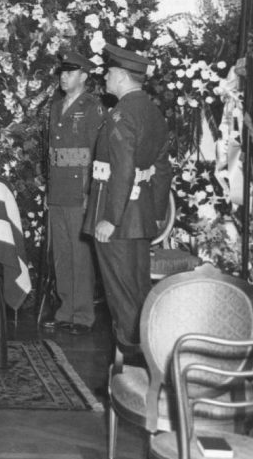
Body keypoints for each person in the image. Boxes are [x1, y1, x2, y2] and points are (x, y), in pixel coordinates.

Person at [83, 44, 171, 359]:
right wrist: (156, 213)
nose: (105, 76)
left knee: (121, 296)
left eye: (109, 72)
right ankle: (147, 359)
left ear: (121, 75)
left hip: (117, 218)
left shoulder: (121, 115)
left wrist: (110, 218)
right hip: (140, 215)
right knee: (138, 291)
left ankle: (131, 368)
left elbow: (121, 170)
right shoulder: (153, 111)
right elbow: (162, 167)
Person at [43, 49, 105, 335]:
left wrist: (92, 192)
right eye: (61, 72)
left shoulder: (92, 107)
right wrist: (49, 187)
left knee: (80, 255)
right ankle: (65, 309)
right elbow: (51, 152)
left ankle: (82, 314)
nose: (63, 77)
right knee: (62, 253)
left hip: (80, 190)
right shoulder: (56, 106)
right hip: (58, 189)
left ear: (84, 75)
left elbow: (96, 151)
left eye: (69, 72)